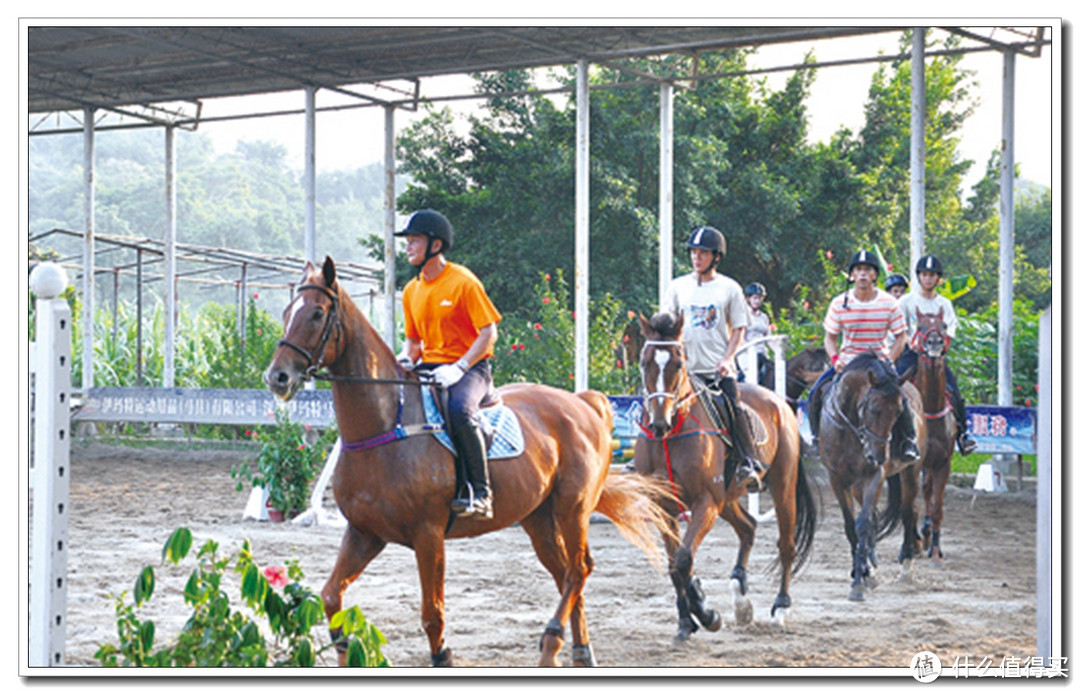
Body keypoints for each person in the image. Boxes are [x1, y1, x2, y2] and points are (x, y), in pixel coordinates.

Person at [394, 209, 503, 519]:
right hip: (430, 367)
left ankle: (482, 493)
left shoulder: (463, 281)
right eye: (408, 241)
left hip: (470, 369)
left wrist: (460, 366)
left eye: (414, 241)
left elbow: (488, 331)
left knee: (459, 410)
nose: (409, 247)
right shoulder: (412, 290)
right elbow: (414, 341)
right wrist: (406, 357)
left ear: (436, 245)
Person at [662, 226, 765, 491]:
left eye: (703, 253)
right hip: (683, 371)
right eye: (694, 252)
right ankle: (643, 458)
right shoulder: (677, 287)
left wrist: (728, 359)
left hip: (715, 371)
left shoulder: (729, 289)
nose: (696, 257)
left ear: (716, 257)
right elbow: (667, 326)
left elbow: (739, 329)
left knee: (734, 406)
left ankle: (747, 462)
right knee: (655, 398)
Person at [806, 249, 920, 462]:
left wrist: (890, 360)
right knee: (815, 393)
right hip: (849, 362)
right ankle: (815, 441)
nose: (863, 274)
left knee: (901, 398)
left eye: (867, 270)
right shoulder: (840, 303)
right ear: (852, 275)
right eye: (858, 270)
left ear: (875, 275)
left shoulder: (888, 302)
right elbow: (830, 338)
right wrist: (835, 360)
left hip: (878, 362)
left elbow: (901, 336)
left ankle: (909, 441)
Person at [895, 255, 978, 455]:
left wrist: (943, 345)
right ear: (919, 277)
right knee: (893, 387)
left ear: (937, 278)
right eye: (924, 274)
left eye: (932, 275)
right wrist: (910, 342)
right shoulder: (907, 301)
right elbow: (898, 329)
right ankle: (894, 435)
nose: (928, 279)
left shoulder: (945, 304)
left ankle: (963, 435)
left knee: (953, 390)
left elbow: (950, 330)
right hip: (911, 355)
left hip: (936, 356)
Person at [740, 282, 772, 384]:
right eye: (755, 298)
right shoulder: (743, 315)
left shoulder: (764, 317)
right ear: (748, 299)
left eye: (760, 298)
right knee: (752, 377)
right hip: (747, 353)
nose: (757, 301)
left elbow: (768, 337)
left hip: (762, 353)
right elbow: (741, 338)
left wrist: (778, 351)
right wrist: (750, 351)